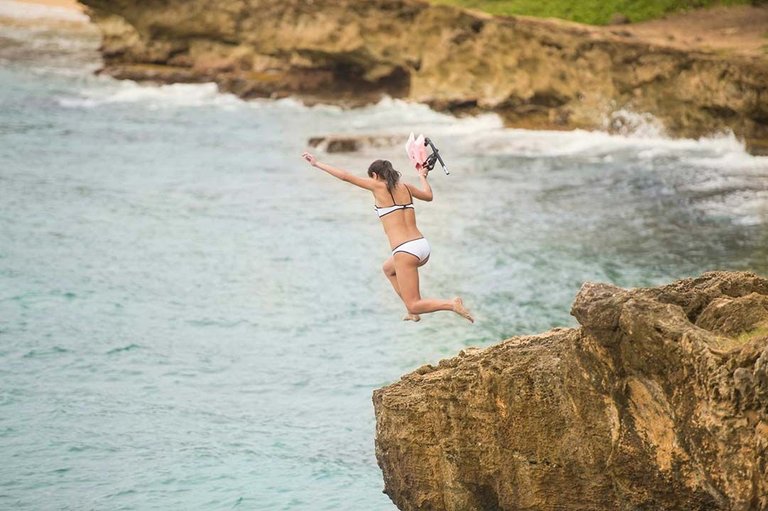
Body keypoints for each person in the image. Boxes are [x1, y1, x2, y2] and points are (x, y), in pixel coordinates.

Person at [301, 151, 474, 323]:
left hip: (405, 251)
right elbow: (429, 197)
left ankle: (451, 304)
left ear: (375, 175)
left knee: (415, 303)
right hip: (422, 246)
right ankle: (411, 311)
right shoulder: (406, 187)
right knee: (388, 269)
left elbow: (346, 176)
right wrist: (422, 176)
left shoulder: (377, 187)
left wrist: (317, 164)